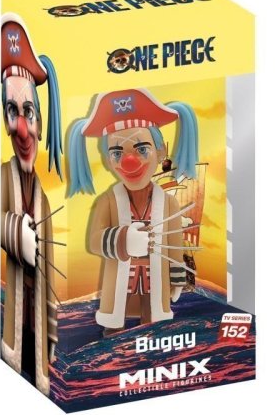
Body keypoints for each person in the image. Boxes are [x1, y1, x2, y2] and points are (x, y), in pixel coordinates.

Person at [68, 88, 199, 334]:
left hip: (155, 282)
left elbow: (175, 247)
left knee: (154, 330)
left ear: (160, 152)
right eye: (117, 153)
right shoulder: (108, 200)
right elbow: (94, 241)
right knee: (113, 332)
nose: (129, 161)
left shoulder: (168, 203)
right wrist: (124, 240)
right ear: (109, 161)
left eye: (141, 149)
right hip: (120, 283)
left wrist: (177, 279)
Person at [0, 13, 62, 393]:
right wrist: (13, 232)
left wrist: (52, 334)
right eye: (12, 112)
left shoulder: (45, 200)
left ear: (40, 121)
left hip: (36, 337)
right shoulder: (0, 178)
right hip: (10, 334)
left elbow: (50, 274)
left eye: (29, 113)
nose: (22, 129)